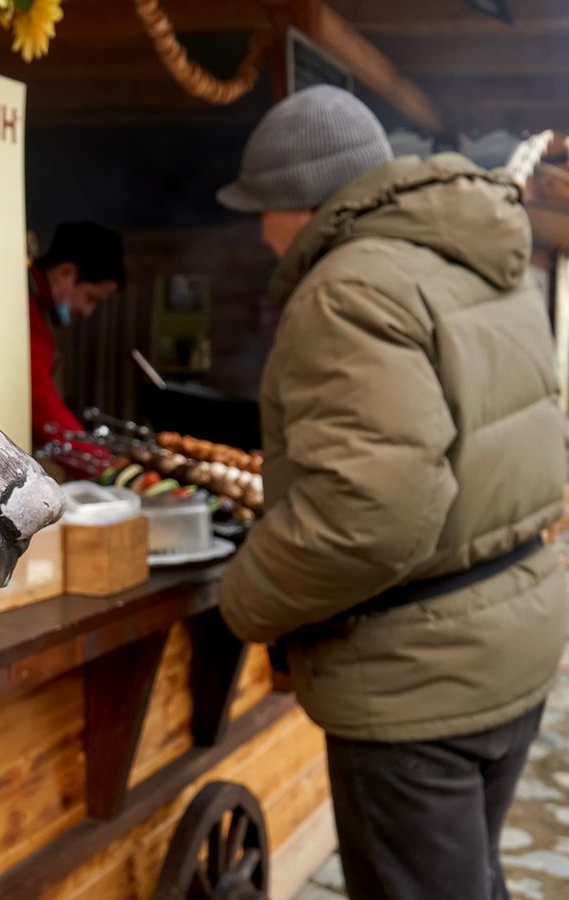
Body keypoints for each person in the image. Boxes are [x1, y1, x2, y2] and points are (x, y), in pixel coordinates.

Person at [216, 85, 567, 900]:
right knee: (473, 878)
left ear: (299, 200)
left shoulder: (347, 290)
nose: (261, 233)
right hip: (513, 637)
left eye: (260, 209)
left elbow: (370, 517)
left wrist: (244, 599)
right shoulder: (476, 259)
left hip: (419, 681)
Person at [28, 222, 125, 446]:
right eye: (91, 298)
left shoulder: (38, 309)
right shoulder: (26, 311)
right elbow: (39, 403)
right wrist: (100, 464)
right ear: (66, 273)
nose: (87, 311)